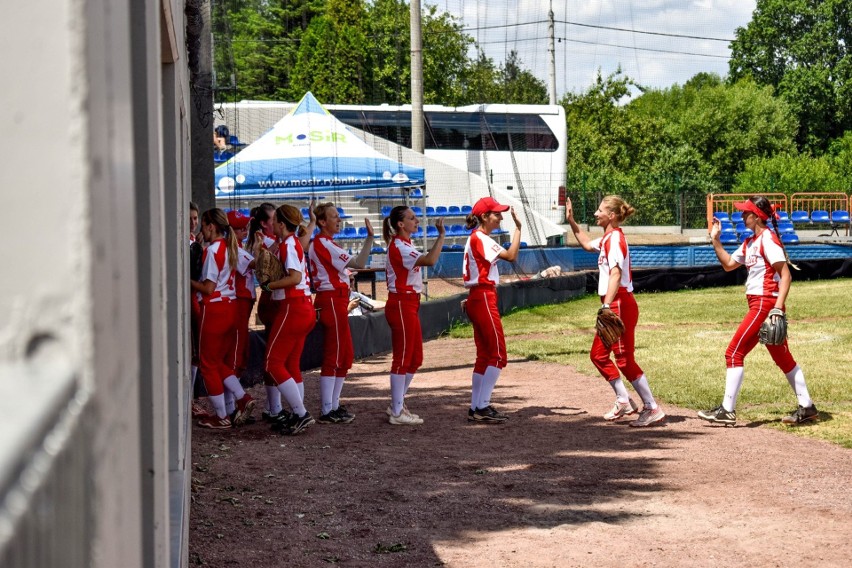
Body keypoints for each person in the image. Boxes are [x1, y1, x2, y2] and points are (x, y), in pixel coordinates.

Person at [698, 195, 818, 426]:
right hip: (760, 303)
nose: (742, 215)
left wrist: (776, 309)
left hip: (765, 303)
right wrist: (716, 240)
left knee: (734, 353)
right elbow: (728, 265)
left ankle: (727, 410)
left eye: (746, 212)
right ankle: (807, 407)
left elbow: (786, 275)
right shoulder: (751, 242)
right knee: (782, 357)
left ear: (756, 216)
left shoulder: (767, 240)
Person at [564, 195, 666, 427]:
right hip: (615, 302)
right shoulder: (608, 238)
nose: (596, 214)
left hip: (619, 303)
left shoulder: (615, 240)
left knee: (624, 360)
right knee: (598, 356)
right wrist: (571, 221)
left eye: (600, 210)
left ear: (611, 215)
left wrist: (606, 305)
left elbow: (616, 274)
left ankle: (652, 407)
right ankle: (624, 400)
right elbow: (588, 244)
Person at [309, 202, 374, 424]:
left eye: (338, 216)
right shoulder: (322, 243)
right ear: (322, 222)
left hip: (337, 298)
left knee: (344, 355)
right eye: (334, 216)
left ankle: (334, 405)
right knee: (335, 355)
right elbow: (360, 262)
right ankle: (327, 409)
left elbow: (355, 266)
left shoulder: (328, 243)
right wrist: (369, 238)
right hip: (331, 300)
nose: (339, 220)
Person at [190, 208, 255, 429]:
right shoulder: (230, 246)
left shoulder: (213, 249)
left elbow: (207, 288)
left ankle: (221, 416)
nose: (202, 229)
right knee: (219, 362)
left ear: (210, 226)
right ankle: (243, 398)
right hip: (231, 306)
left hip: (214, 309)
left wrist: (186, 279)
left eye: (203, 225)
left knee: (208, 364)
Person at [381, 206, 446, 425]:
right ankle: (397, 411)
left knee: (415, 357)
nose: (416, 221)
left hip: (409, 303)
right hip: (401, 302)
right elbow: (430, 261)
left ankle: (397, 404)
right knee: (403, 357)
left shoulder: (405, 244)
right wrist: (442, 236)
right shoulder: (399, 245)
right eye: (411, 218)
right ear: (400, 224)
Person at [462, 196, 521, 423]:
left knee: (485, 355)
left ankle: (476, 406)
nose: (500, 218)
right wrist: (518, 229)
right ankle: (482, 406)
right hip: (483, 295)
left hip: (479, 296)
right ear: (484, 217)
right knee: (498, 354)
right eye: (496, 214)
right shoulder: (481, 237)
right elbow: (511, 256)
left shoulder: (476, 238)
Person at [261, 205, 317, 435]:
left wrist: (268, 285)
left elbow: (294, 277)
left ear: (282, 225)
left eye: (275, 221)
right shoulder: (290, 243)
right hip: (303, 307)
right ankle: (297, 414)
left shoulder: (288, 244)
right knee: (291, 364)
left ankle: (301, 413)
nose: (272, 224)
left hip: (293, 307)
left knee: (272, 364)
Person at [227, 210, 255, 396]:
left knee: (240, 350)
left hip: (243, 301)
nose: (245, 230)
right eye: (240, 228)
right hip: (237, 301)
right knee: (236, 352)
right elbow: (256, 264)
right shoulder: (233, 247)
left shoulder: (238, 245)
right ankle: (233, 405)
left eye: (246, 227)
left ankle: (233, 404)